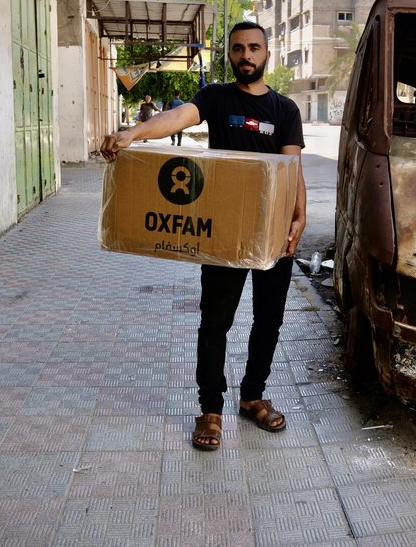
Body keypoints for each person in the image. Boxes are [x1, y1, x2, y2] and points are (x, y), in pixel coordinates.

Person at [100, 22, 306, 452]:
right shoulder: (215, 97)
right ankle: (210, 408)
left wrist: (299, 216)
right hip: (226, 232)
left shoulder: (285, 109)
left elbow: (292, 169)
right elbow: (177, 117)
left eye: (254, 48)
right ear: (229, 55)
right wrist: (133, 133)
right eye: (237, 49)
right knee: (216, 322)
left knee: (269, 320)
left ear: (268, 53)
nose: (246, 55)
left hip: (272, 234)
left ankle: (252, 396)